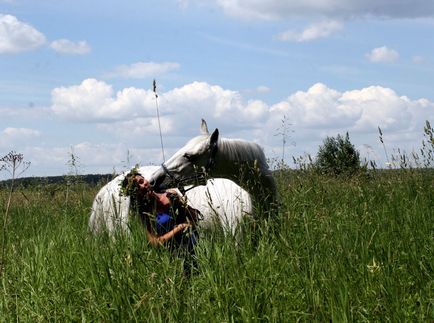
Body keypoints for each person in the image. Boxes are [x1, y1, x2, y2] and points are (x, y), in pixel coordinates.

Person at [120, 168, 200, 272]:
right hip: (168, 253)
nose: (142, 185)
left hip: (188, 245)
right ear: (135, 194)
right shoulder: (144, 212)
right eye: (137, 187)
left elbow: (191, 218)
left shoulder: (170, 195)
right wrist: (179, 228)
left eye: (141, 181)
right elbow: (154, 242)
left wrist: (183, 204)